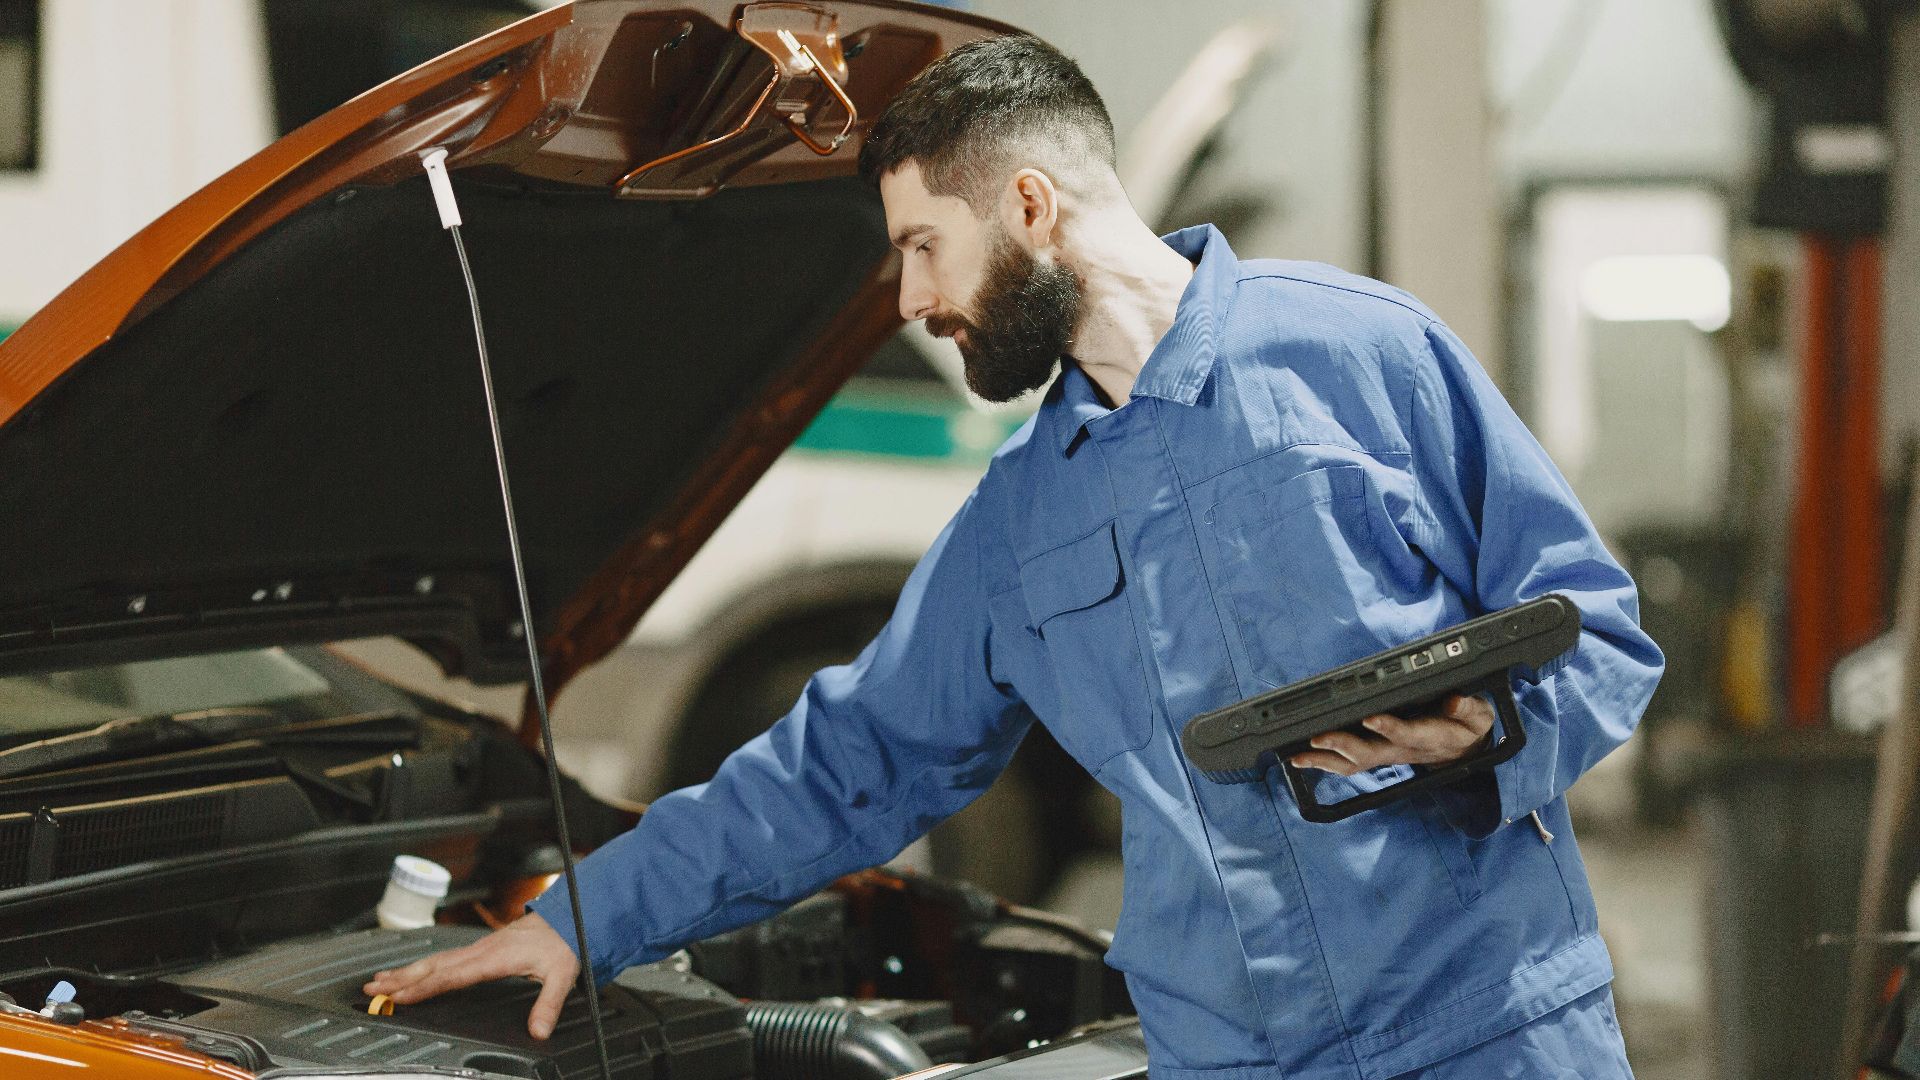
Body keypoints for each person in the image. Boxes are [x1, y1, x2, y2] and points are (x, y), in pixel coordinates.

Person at [365, 35, 1663, 1079]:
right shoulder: (1015, 522)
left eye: (923, 245)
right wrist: (577, 921)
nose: (914, 301)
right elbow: (846, 766)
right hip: (1238, 1057)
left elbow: (1597, 634)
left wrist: (1481, 730)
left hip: (1487, 1030)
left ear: (1031, 204)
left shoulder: (1362, 356)